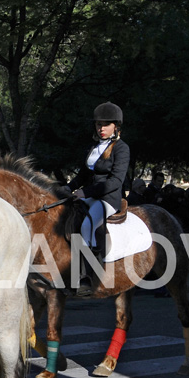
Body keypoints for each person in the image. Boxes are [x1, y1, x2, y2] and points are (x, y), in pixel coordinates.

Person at [68, 101, 130, 296]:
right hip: (90, 195)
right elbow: (81, 177)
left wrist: (85, 193)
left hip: (108, 199)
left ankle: (88, 277)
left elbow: (115, 182)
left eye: (106, 124)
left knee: (87, 226)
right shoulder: (94, 148)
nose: (101, 128)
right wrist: (63, 189)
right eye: (98, 124)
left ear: (116, 127)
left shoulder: (121, 148)